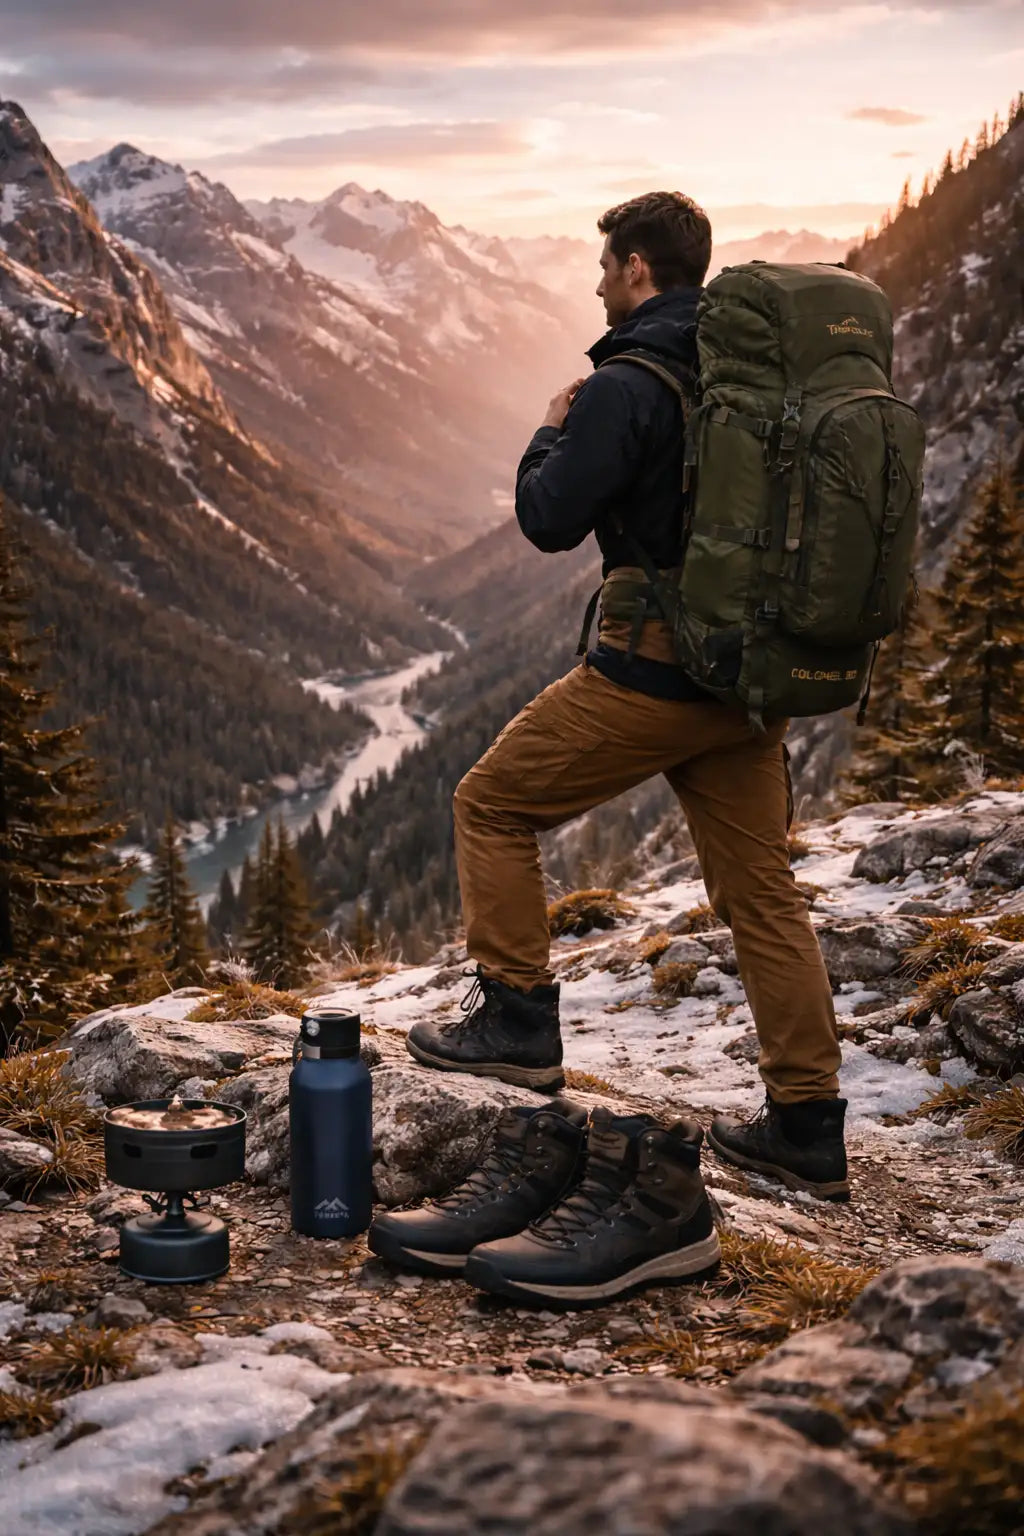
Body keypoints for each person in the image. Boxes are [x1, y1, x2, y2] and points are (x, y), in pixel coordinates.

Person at [406, 191, 848, 1216]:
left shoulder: (627, 381)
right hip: (746, 681)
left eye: (606, 266)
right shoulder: (754, 376)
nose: (597, 282)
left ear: (638, 267)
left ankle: (517, 1021)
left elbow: (548, 519)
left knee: (491, 805)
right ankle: (807, 1125)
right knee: (763, 893)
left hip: (651, 673)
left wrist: (545, 432)